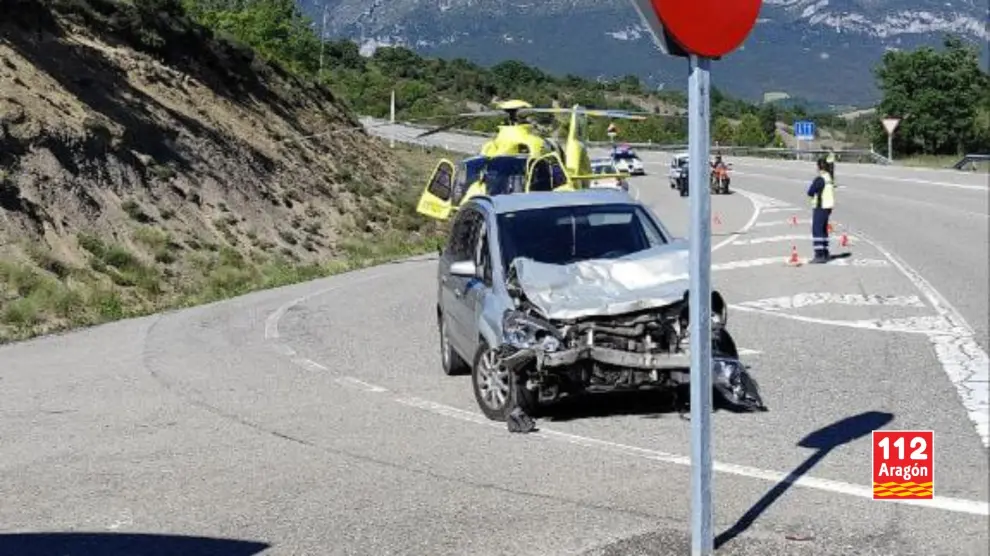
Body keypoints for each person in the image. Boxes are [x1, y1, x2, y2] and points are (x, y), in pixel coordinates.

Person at [806, 157, 835, 263]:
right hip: (827, 207)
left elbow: (810, 192)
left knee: (817, 231)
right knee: (823, 230)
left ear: (818, 167)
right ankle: (825, 252)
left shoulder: (820, 179)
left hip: (820, 206)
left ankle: (819, 255)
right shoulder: (829, 177)